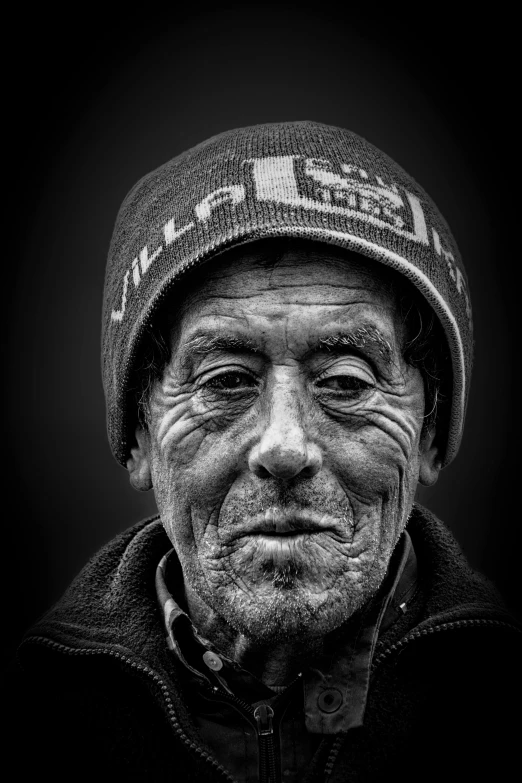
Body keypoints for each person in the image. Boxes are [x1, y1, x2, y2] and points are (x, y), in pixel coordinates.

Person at [5, 122, 520, 782]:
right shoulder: (38, 716)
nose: (285, 445)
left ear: (428, 431)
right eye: (226, 380)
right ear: (138, 438)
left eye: (346, 382)